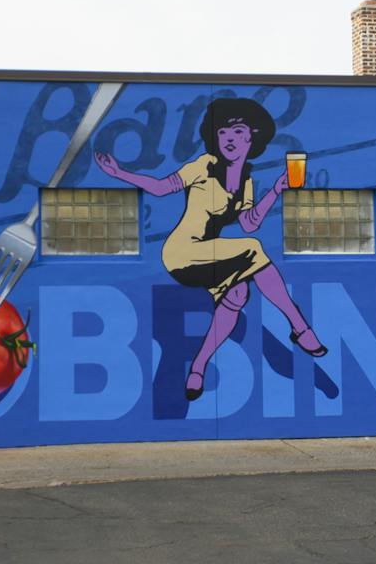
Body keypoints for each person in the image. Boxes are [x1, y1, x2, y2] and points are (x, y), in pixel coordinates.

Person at [95, 97, 325, 402]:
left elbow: (249, 223)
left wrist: (277, 190)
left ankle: (198, 368)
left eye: (237, 132)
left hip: (212, 256)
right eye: (223, 134)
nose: (229, 139)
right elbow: (163, 187)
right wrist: (119, 174)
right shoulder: (204, 166)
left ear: (251, 137)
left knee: (237, 295)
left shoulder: (246, 181)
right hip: (182, 252)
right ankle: (299, 327)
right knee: (254, 249)